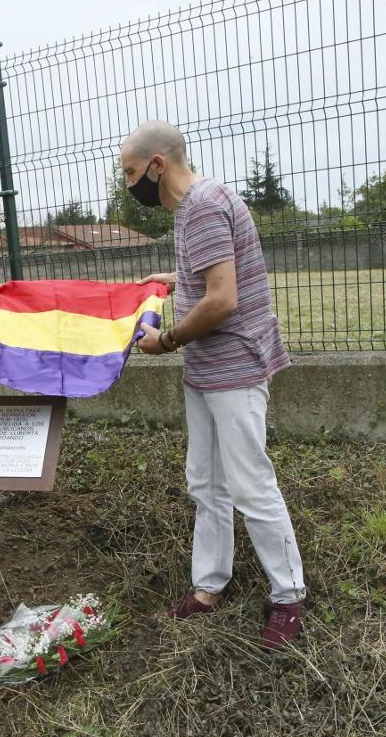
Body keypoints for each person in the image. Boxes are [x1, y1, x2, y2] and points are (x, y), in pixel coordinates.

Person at [121, 121, 307, 650]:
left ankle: (289, 596)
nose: (129, 186)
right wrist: (176, 279)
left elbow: (223, 300)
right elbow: (215, 273)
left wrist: (169, 339)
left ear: (158, 164)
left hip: (233, 369)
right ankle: (209, 587)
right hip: (208, 372)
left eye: (131, 173)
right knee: (206, 481)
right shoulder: (196, 208)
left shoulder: (200, 206)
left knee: (249, 482)